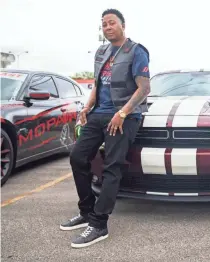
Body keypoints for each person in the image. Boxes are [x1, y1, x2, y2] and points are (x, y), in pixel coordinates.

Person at [60, 8, 151, 248]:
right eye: (104, 24)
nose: (107, 27)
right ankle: (87, 212)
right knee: (77, 157)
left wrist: (122, 113)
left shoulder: (136, 51)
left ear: (123, 25)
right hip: (99, 114)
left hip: (124, 116)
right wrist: (87, 106)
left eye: (112, 23)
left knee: (112, 165)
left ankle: (99, 224)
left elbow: (144, 89)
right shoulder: (101, 52)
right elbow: (97, 85)